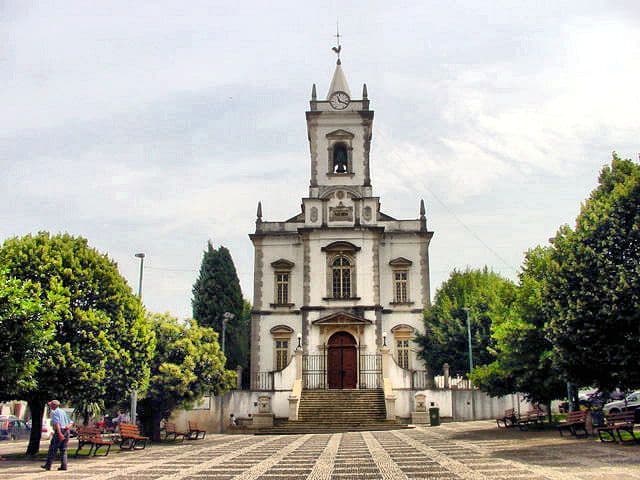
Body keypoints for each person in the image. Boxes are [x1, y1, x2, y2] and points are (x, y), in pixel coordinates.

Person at [42, 400, 73, 471]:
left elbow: (57, 424)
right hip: (66, 431)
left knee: (52, 449)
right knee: (63, 449)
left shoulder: (54, 412)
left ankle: (48, 465)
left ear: (54, 405)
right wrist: (67, 427)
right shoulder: (63, 412)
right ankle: (64, 466)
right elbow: (71, 422)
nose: (50, 406)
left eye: (51, 405)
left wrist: (59, 433)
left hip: (60, 431)